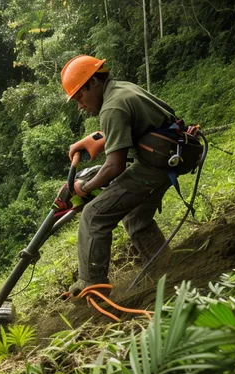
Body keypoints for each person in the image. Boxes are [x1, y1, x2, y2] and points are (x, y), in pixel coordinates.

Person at [61, 55, 178, 296]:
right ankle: (166, 267)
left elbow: (115, 167)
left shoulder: (112, 107)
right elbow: (132, 126)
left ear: (93, 82)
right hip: (168, 154)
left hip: (155, 165)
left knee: (93, 215)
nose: (80, 105)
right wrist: (95, 140)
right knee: (136, 216)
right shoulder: (120, 89)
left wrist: (86, 188)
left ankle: (92, 286)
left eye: (80, 96)